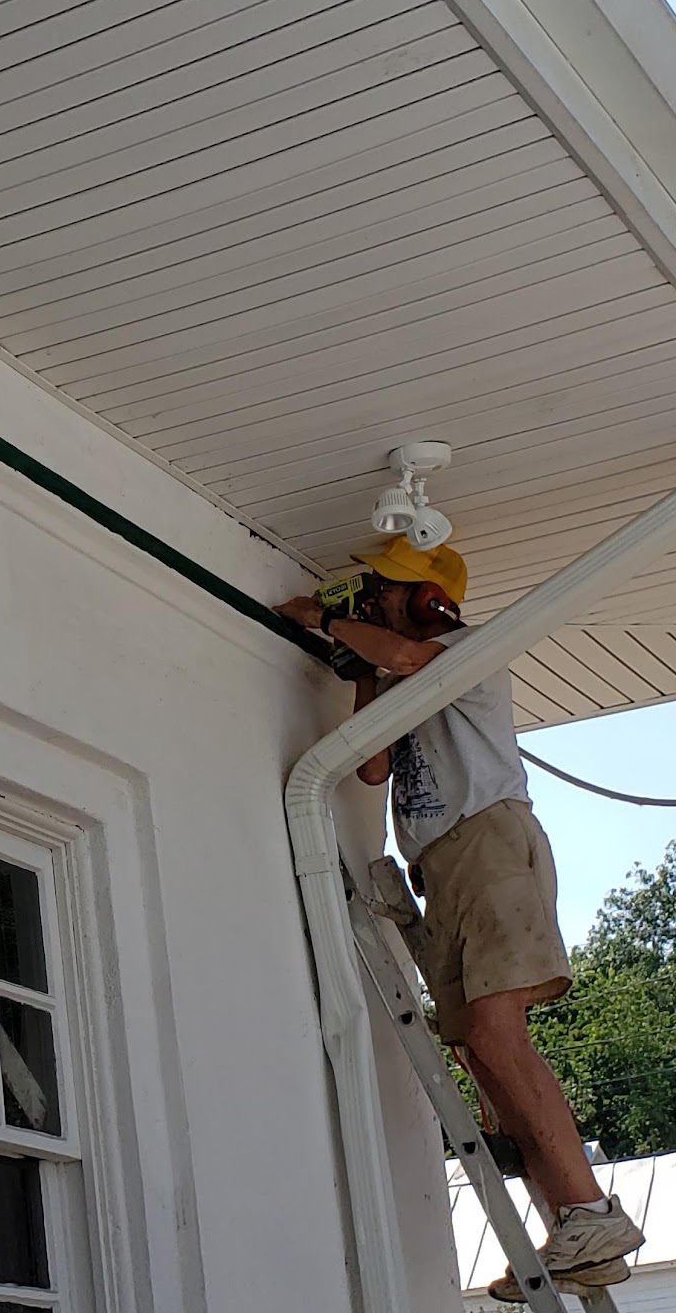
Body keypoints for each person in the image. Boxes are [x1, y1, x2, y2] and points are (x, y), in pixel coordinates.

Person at [276, 538, 645, 1302]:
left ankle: (588, 1210)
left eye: (384, 590)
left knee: (496, 1033)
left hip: (487, 843)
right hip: (441, 866)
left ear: (425, 602)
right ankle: (580, 1236)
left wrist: (327, 619)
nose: (372, 598)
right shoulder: (401, 666)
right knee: (479, 1050)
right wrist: (361, 669)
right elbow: (372, 764)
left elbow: (411, 663)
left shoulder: (467, 648)